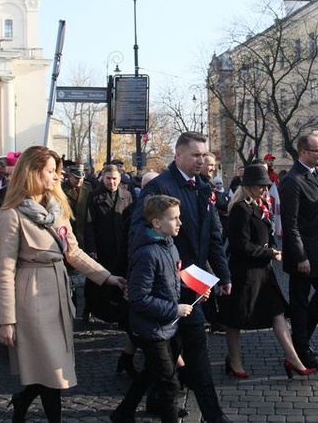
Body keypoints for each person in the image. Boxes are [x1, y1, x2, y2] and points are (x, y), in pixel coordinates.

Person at [0, 146, 125, 423]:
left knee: (51, 363)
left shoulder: (58, 210)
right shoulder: (10, 214)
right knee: (51, 366)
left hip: (59, 291)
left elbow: (73, 252)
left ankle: (22, 401)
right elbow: (4, 269)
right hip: (30, 294)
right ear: (32, 172)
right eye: (51, 171)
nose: (57, 177)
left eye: (57, 171)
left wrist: (107, 277)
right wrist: (6, 320)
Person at [130, 131, 232, 423]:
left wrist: (223, 273)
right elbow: (137, 233)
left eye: (204, 155)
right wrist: (139, 277)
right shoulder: (160, 186)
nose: (202, 160)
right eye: (196, 155)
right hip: (165, 286)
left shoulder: (203, 186)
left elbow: (213, 234)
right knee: (182, 351)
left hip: (194, 284)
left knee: (181, 350)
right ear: (179, 156)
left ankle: (134, 408)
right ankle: (213, 415)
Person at [219, 165, 315, 379]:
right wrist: (269, 252)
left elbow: (267, 234)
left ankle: (293, 359)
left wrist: (271, 251)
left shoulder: (260, 205)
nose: (265, 189)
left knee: (277, 313)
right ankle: (234, 359)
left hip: (264, 272)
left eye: (266, 186)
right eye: (261, 186)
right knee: (236, 318)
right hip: (244, 272)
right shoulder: (240, 208)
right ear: (249, 186)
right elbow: (239, 245)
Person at [110, 195, 193, 423]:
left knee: (149, 372)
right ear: (156, 223)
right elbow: (138, 299)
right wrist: (174, 309)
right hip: (150, 328)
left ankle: (123, 412)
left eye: (179, 217)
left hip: (166, 324)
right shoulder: (147, 253)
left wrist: (195, 289)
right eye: (174, 219)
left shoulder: (169, 245)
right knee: (169, 382)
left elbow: (171, 280)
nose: (179, 223)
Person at [279, 134, 318, 370]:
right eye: (317, 151)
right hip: (304, 254)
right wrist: (301, 256)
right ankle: (301, 349)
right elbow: (290, 223)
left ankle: (300, 339)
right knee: (300, 302)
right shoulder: (293, 180)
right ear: (303, 153)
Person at [83, 164, 133, 323]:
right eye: (108, 178)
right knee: (99, 280)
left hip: (121, 245)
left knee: (119, 278)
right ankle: (93, 310)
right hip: (102, 245)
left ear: (120, 179)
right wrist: (91, 248)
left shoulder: (127, 195)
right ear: (102, 178)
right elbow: (89, 224)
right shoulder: (94, 196)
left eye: (114, 179)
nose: (111, 182)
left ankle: (117, 312)